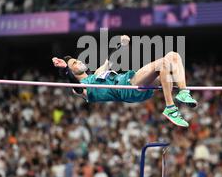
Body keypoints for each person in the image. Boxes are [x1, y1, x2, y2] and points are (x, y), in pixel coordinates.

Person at [52, 35, 197, 127]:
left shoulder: (96, 73)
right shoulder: (81, 87)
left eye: (76, 60)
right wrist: (65, 69)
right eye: (74, 64)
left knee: (173, 56)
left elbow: (111, 60)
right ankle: (170, 108)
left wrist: (122, 45)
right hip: (127, 88)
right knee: (164, 63)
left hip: (131, 82)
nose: (78, 62)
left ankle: (183, 92)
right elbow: (76, 87)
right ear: (70, 71)